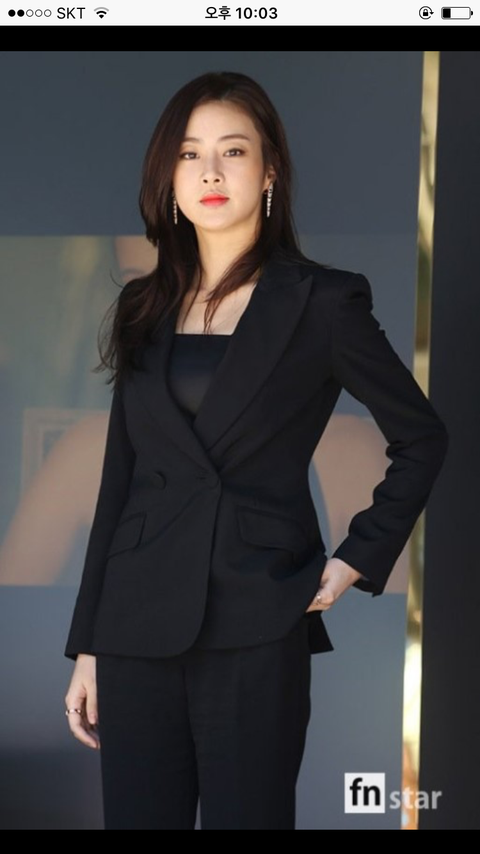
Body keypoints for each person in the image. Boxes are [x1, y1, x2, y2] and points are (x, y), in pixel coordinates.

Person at [64, 71, 449, 830]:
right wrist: (89, 646)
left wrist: (353, 562)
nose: (210, 172)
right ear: (169, 176)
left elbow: (422, 436)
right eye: (190, 154)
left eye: (233, 151)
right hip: (135, 628)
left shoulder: (323, 301)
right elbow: (121, 483)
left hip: (256, 619)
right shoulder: (144, 304)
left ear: (269, 171)